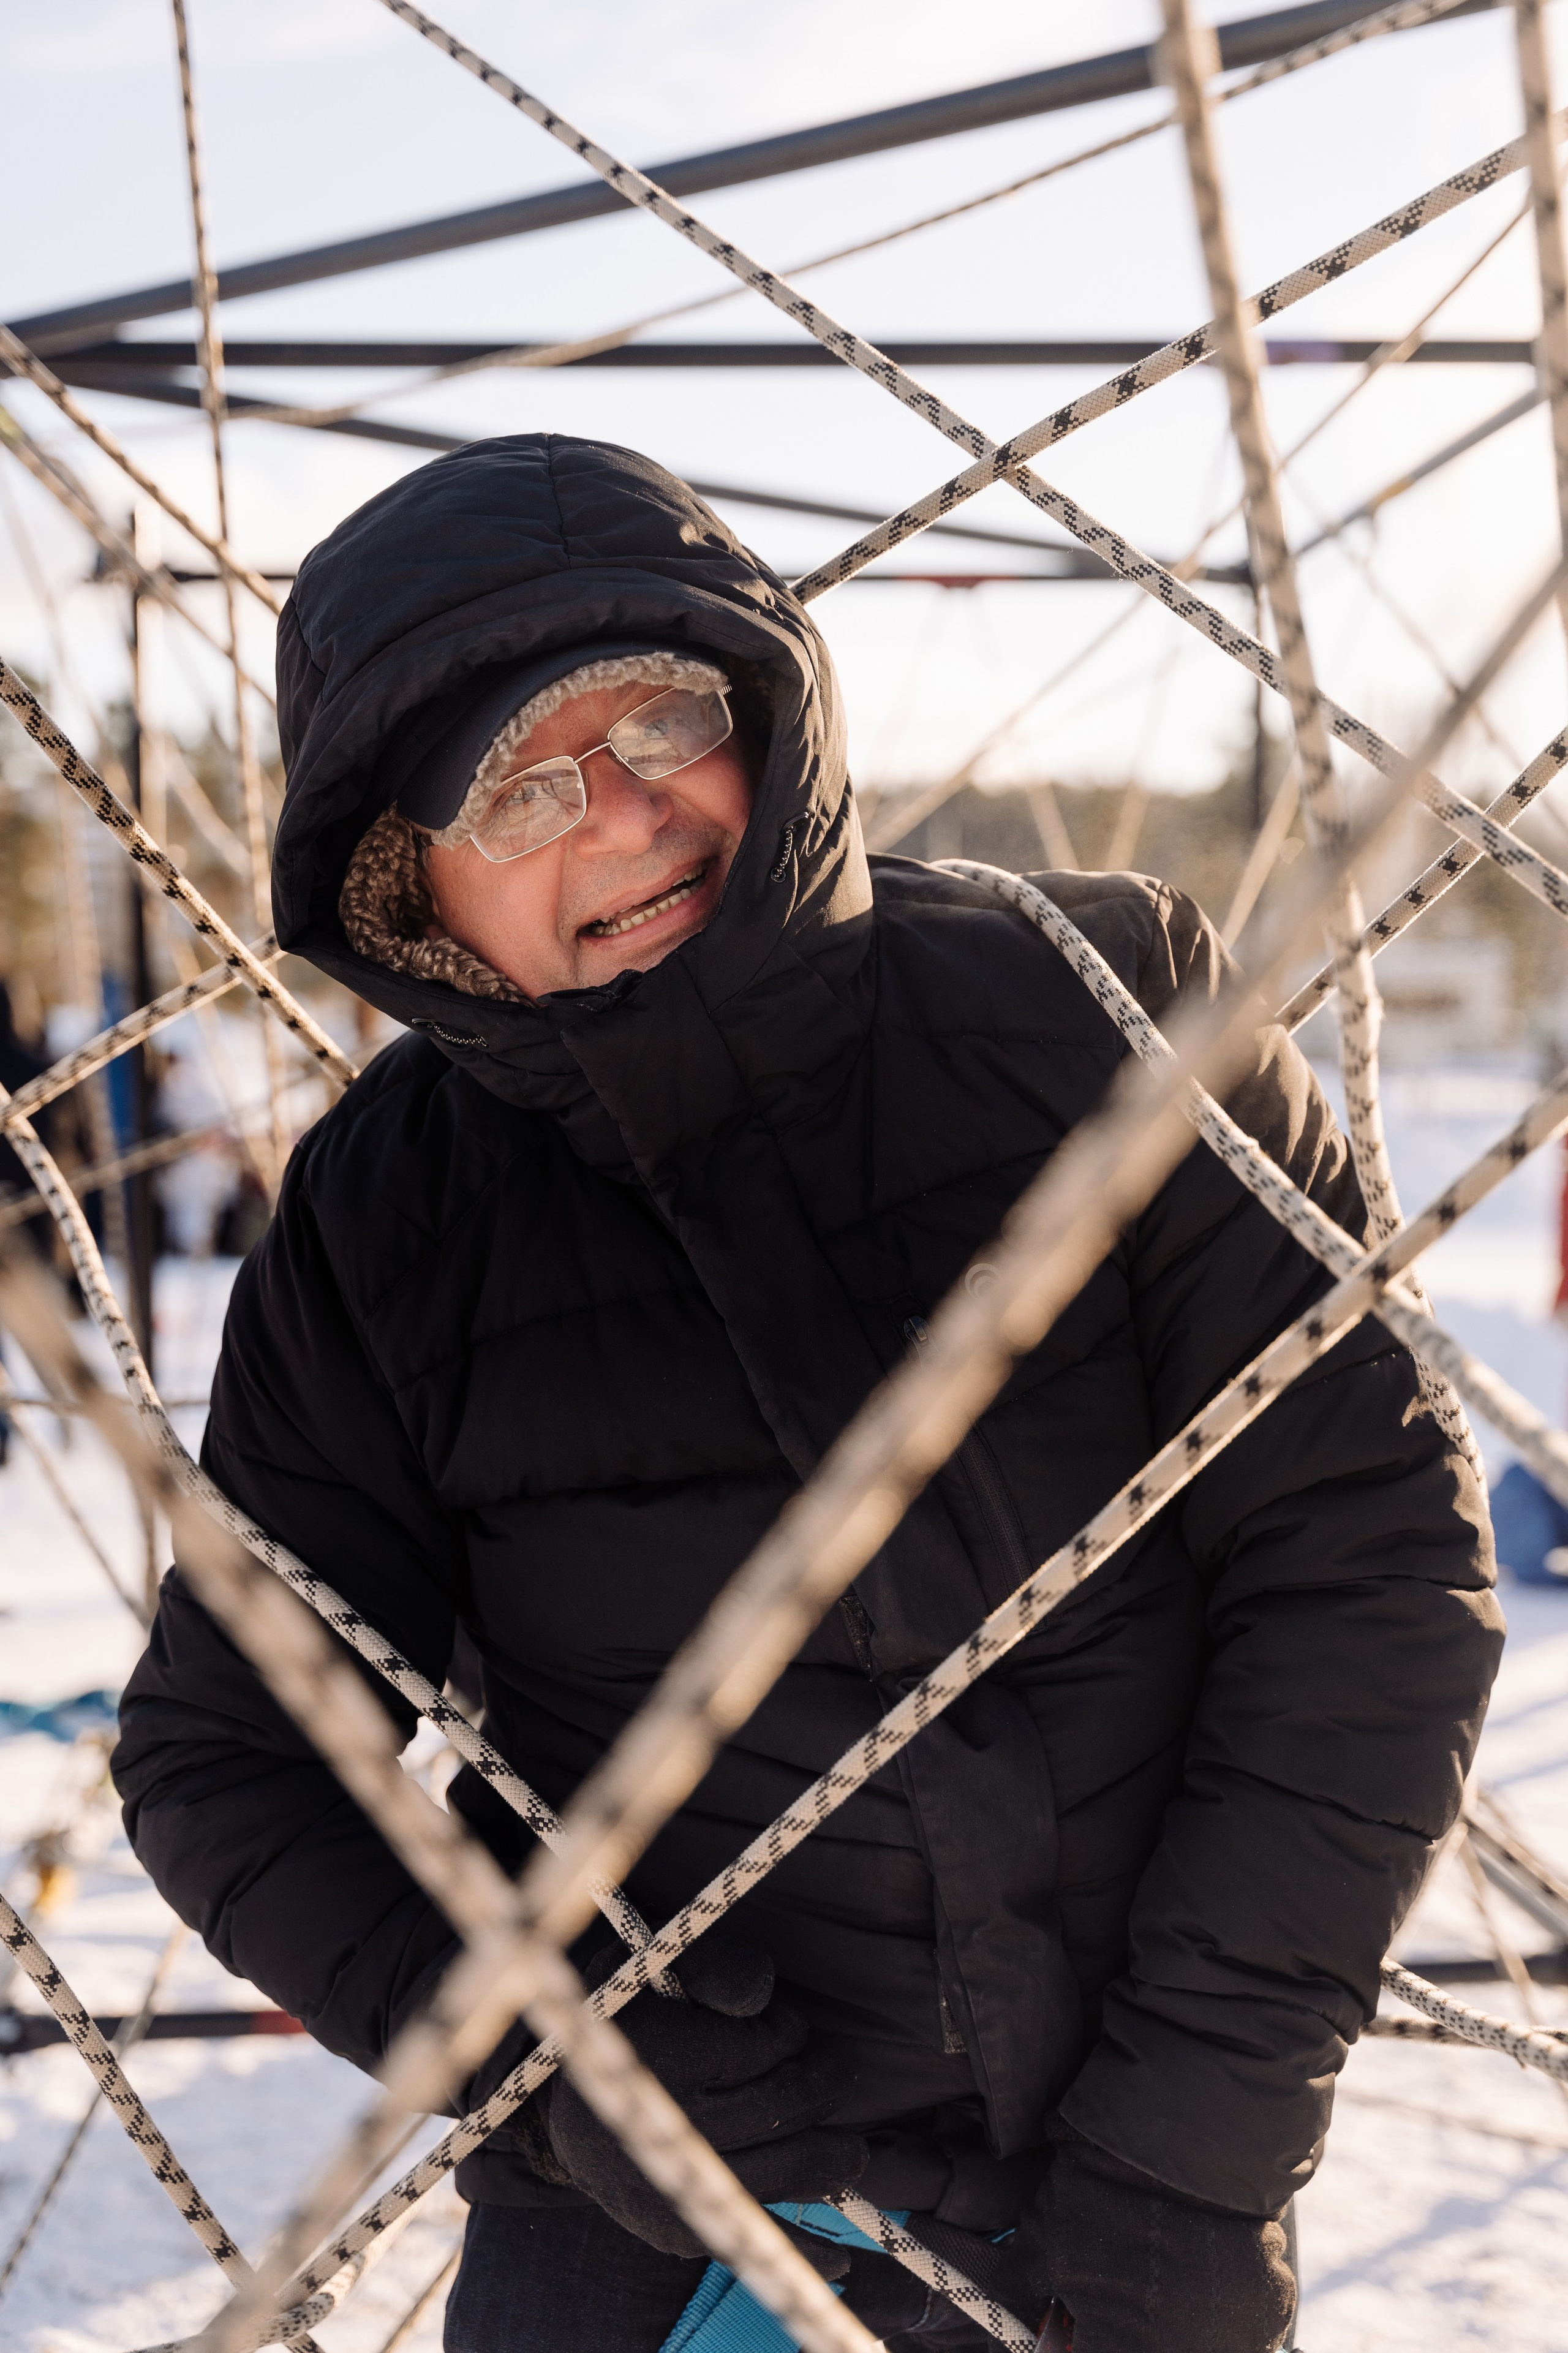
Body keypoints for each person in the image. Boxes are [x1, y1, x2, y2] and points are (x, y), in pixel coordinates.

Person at [113, 434, 1501, 2353]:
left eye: (660, 717)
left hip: (1131, 2165)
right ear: (407, 885)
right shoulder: (385, 1221)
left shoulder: (1111, 1008)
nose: (622, 812)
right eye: (518, 787)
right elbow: (228, 1756)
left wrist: (1192, 2143)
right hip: (647, 2216)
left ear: (763, 705)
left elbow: (1365, 1568)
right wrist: (552, 2066)